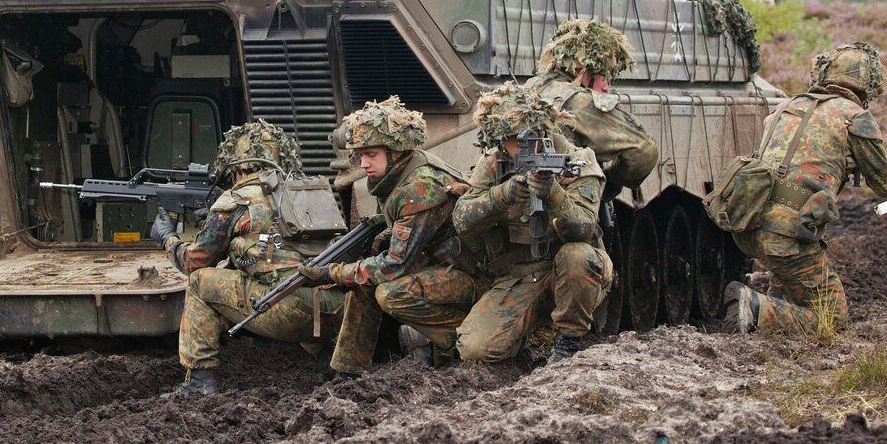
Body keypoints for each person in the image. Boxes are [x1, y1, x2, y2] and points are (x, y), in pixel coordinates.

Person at [149, 120, 346, 396]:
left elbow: (194, 261)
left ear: (239, 167)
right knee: (291, 272)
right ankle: (329, 360)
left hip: (287, 312)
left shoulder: (236, 200)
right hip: (336, 311)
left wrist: (167, 239)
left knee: (199, 282)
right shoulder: (307, 190)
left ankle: (199, 382)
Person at [724, 43, 887, 335]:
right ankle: (755, 309)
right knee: (832, 317)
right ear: (866, 88)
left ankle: (770, 312)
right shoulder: (854, 117)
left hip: (749, 221)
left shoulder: (786, 107)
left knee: (791, 278)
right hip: (788, 232)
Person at [298, 96, 478, 376]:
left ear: (395, 151)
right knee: (363, 282)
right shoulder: (400, 172)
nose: (364, 164)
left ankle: (461, 338)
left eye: (371, 155)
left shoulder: (418, 187)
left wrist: (333, 273)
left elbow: (395, 265)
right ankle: (347, 370)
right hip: (438, 264)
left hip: (469, 274)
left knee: (389, 293)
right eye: (360, 155)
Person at [453, 82, 611, 363]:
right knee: (476, 350)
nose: (518, 146)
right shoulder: (494, 163)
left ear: (541, 130)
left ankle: (568, 343)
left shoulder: (576, 160)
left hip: (569, 268)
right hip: (521, 276)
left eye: (525, 137)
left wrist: (552, 193)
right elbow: (462, 220)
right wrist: (503, 194)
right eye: (510, 139)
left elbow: (583, 228)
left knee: (577, 255)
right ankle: (522, 342)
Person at [525, 19, 658, 194]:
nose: (606, 86)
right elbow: (644, 151)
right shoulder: (580, 101)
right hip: (563, 203)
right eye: (604, 75)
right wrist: (610, 181)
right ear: (583, 71)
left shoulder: (529, 87)